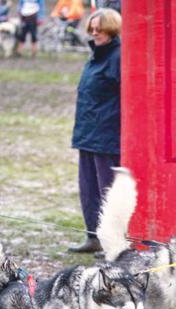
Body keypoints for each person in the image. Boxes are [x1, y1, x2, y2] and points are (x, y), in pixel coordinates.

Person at [68, 8, 121, 254]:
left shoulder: (118, 57)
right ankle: (93, 236)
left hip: (107, 136)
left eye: (100, 28)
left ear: (112, 29)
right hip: (87, 134)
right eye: (92, 28)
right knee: (88, 190)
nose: (95, 32)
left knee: (108, 192)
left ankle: (113, 241)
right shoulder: (95, 57)